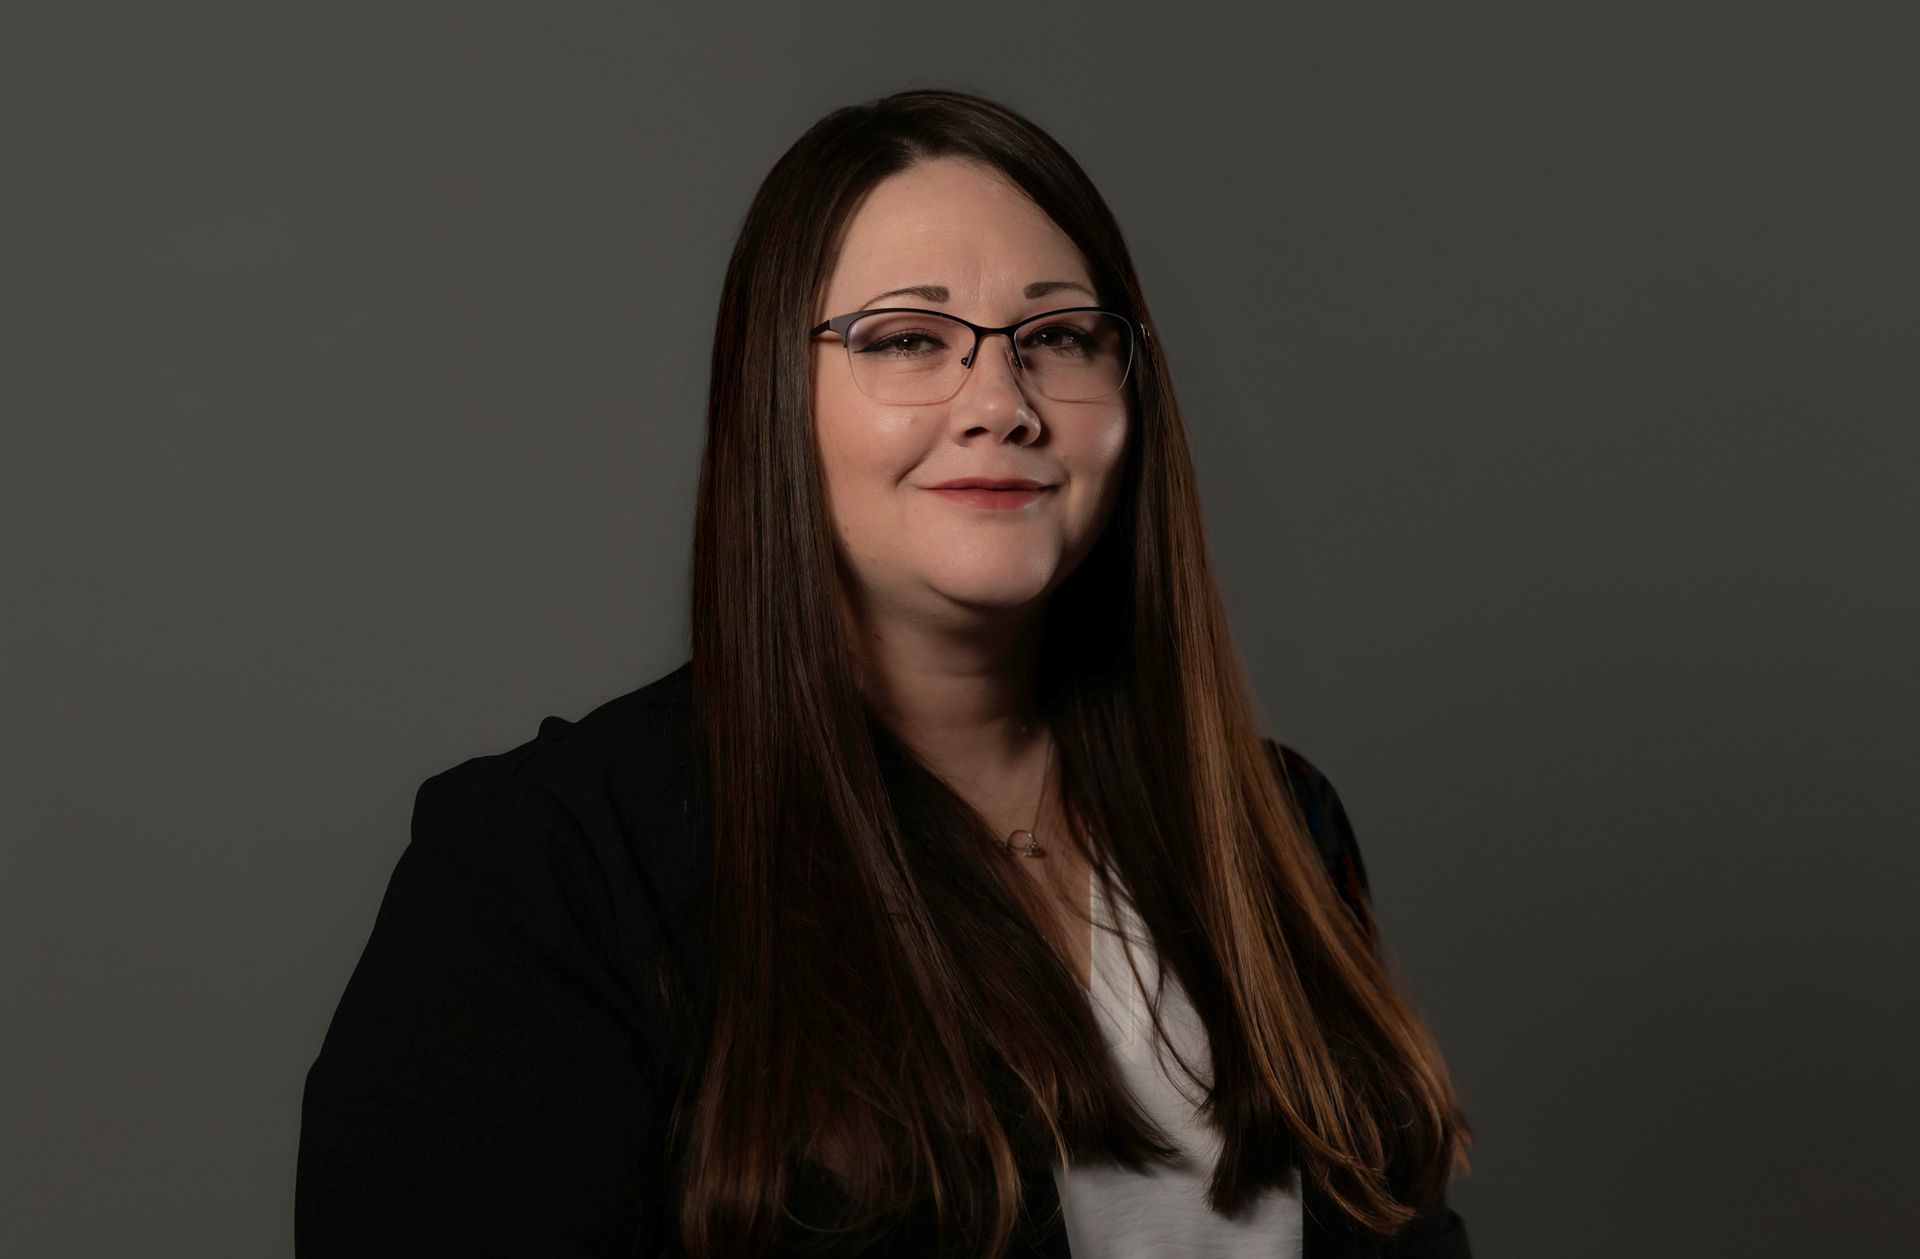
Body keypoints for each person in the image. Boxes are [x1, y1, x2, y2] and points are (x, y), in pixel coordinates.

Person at [296, 88, 1475, 1258]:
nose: (1001, 404)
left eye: (1059, 337)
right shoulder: (552, 868)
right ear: (773, 398)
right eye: (908, 339)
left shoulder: (1274, 822)